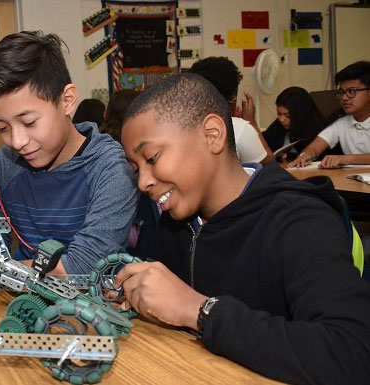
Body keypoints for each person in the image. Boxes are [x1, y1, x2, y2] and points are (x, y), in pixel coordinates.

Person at [115, 73, 370, 384]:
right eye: (136, 167)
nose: (143, 182)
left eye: (152, 158)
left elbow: (353, 353)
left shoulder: (299, 219)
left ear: (212, 135)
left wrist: (199, 310)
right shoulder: (174, 225)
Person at [0, 31, 138, 274]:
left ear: (67, 100)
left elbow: (81, 269)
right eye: (2, 127)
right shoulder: (5, 164)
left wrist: (1, 269)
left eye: (28, 122)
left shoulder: (111, 168)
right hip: (23, 302)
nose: (17, 141)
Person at [190, 57, 274, 163]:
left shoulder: (180, 125)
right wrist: (252, 123)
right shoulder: (238, 128)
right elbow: (269, 163)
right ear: (232, 97)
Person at [289, 61, 370, 168]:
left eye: (352, 91)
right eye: (341, 92)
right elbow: (315, 147)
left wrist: (347, 159)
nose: (344, 98)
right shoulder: (341, 121)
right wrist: (305, 156)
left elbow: (347, 159)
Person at [263, 86, 326, 161]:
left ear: (300, 114)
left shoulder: (321, 131)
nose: (282, 120)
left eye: (288, 116)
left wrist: (290, 156)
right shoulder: (277, 126)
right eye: (279, 114)